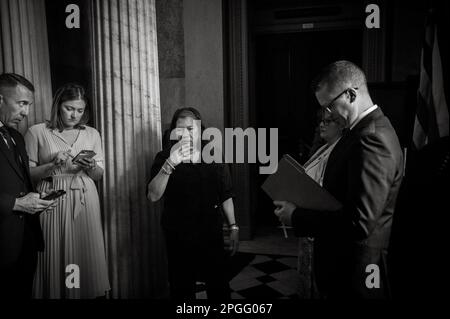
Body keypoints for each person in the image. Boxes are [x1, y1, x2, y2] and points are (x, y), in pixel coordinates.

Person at [274, 61, 404, 299]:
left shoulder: (371, 139)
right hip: (344, 267)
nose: (326, 115)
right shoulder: (357, 133)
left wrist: (296, 215)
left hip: (354, 274)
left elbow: (359, 223)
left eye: (329, 107)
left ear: (351, 94)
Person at [24, 83, 110, 298]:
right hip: (52, 195)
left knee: (84, 250)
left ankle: (81, 292)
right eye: (69, 108)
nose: (75, 115)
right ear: (58, 106)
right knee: (54, 250)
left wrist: (92, 167)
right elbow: (27, 175)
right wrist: (52, 165)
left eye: (80, 110)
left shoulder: (92, 133)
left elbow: (99, 176)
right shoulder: (37, 131)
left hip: (85, 194)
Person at [147, 107, 238, 300]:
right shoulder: (164, 157)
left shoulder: (213, 154)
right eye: (180, 129)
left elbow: (226, 194)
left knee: (219, 285)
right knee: (181, 286)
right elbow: (153, 195)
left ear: (200, 130)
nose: (185, 134)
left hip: (210, 231)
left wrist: (233, 226)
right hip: (178, 233)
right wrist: (170, 163)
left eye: (191, 128)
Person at [0, 73, 57, 299]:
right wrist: (16, 203)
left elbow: (20, 181)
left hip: (25, 241)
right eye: (22, 103)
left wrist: (36, 198)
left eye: (29, 105)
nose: (26, 113)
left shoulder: (16, 135)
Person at [297, 110, 346, 298]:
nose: (322, 125)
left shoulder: (341, 151)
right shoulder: (323, 148)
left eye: (328, 121)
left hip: (321, 228)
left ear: (342, 124)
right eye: (321, 121)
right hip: (309, 226)